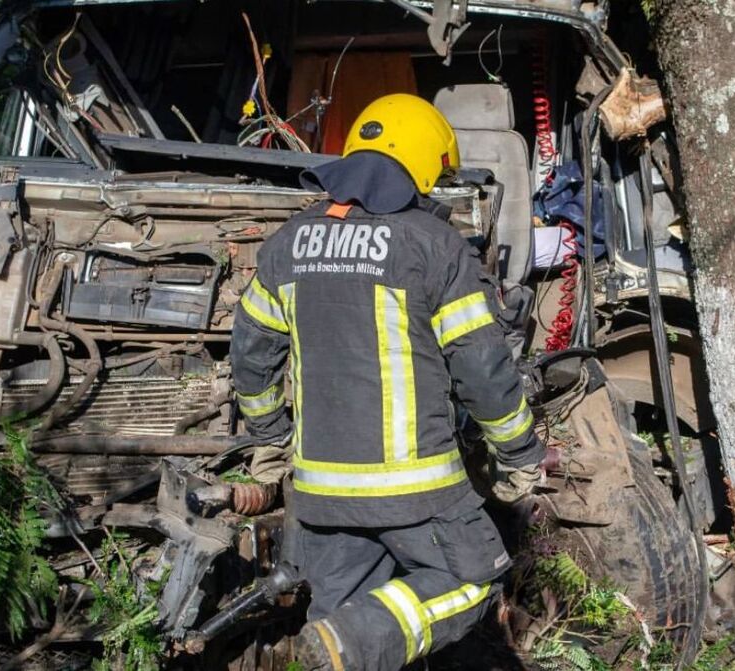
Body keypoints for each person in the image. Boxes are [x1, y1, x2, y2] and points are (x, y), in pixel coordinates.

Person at [230, 93, 544, 671]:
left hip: (320, 495)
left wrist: (270, 436)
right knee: (471, 581)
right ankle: (342, 642)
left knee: (344, 614)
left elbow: (250, 357)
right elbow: (481, 367)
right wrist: (519, 450)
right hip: (416, 491)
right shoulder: (434, 246)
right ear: (423, 163)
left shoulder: (286, 246)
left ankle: (338, 641)